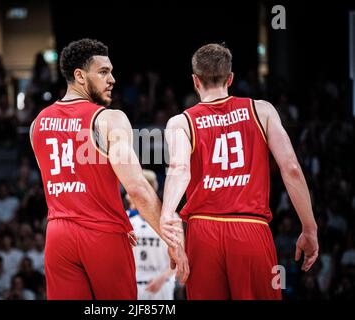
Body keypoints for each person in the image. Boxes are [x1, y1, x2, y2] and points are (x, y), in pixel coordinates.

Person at [30, 38, 188, 300]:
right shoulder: (109, 119)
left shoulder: (38, 124)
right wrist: (172, 241)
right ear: (79, 76)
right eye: (103, 72)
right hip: (102, 235)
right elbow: (137, 190)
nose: (112, 79)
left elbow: (58, 182)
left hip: (58, 236)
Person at [160, 43, 319, 300]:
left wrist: (168, 220)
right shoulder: (262, 110)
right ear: (230, 78)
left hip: (203, 232)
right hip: (251, 230)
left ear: (195, 81)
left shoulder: (181, 122)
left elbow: (179, 169)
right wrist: (309, 228)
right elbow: (291, 169)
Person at [127, 169, 176, 300]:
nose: (127, 195)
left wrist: (163, 277)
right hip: (134, 284)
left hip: (162, 284)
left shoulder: (169, 217)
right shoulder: (124, 218)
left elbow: (180, 255)